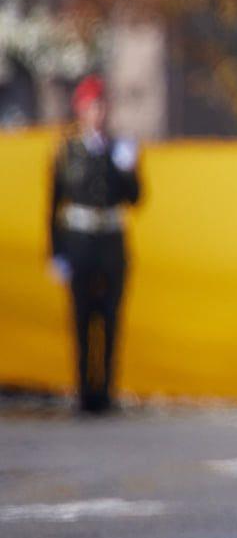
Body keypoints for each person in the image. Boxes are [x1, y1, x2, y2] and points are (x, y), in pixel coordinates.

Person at [47, 75, 141, 415]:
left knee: (111, 319)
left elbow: (136, 199)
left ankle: (107, 392)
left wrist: (128, 170)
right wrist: (56, 252)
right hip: (81, 240)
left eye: (101, 106)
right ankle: (85, 393)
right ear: (81, 110)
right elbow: (54, 204)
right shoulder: (67, 150)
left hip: (112, 242)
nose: (97, 113)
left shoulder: (119, 148)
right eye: (91, 106)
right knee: (83, 318)